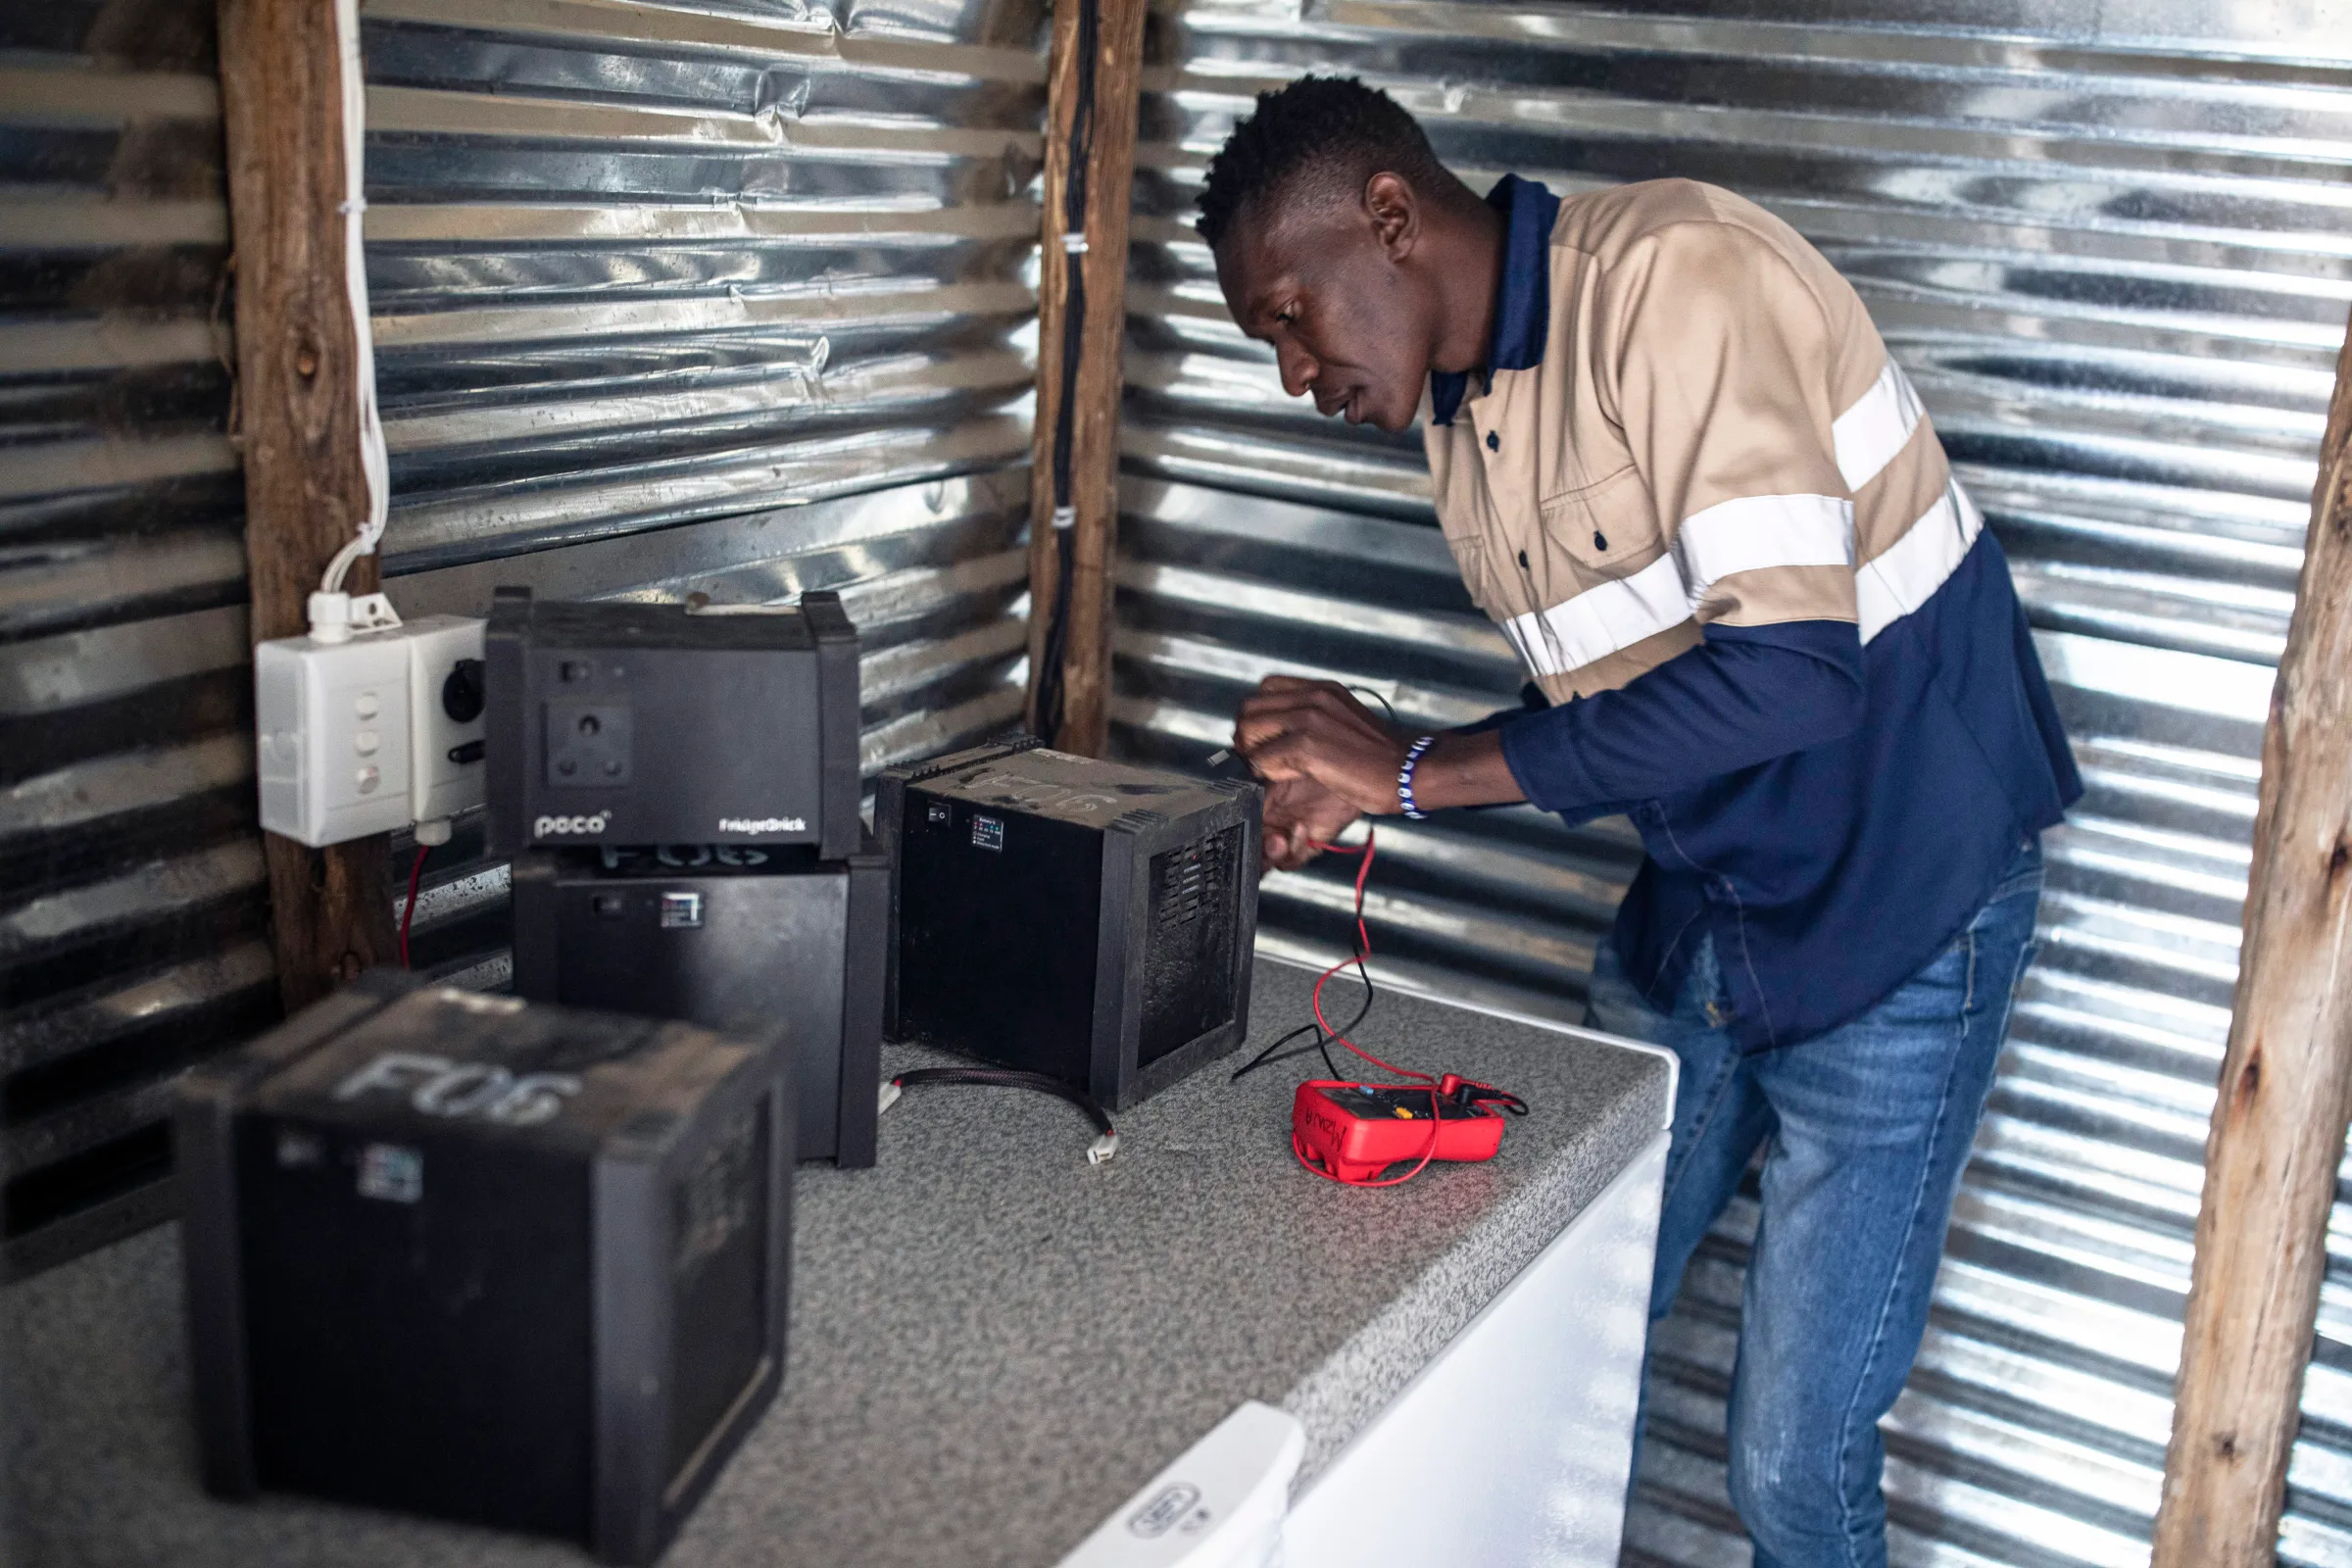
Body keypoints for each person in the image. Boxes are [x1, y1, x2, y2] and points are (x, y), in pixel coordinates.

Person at [1206, 76, 2081, 1568]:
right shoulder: (1460, 419)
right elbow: (1624, 704)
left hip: (1897, 910)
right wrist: (1350, 780)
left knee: (1790, 1473)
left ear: (1391, 219)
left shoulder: (1679, 281)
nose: (1296, 373)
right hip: (1707, 909)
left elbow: (1791, 676)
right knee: (1546, 1327)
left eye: (1293, 315)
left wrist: (1412, 768)